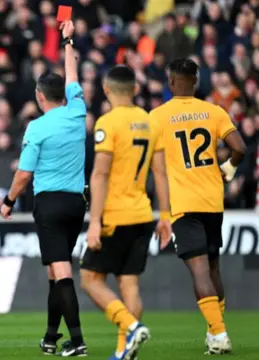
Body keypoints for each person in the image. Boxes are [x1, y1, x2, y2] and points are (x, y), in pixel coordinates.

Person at [0, 20, 87, 357]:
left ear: (39, 97)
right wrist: (68, 42)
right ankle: (51, 336)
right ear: (63, 95)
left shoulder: (36, 128)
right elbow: (74, 77)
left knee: (61, 269)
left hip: (49, 203)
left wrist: (8, 201)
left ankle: (77, 340)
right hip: (77, 203)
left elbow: (23, 175)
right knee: (56, 269)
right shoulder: (77, 111)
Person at [148, 58, 247, 355]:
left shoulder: (158, 116)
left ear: (170, 82)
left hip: (183, 203)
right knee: (213, 267)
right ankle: (214, 332)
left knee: (199, 269)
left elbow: (149, 162)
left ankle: (219, 334)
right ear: (196, 81)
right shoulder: (214, 111)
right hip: (212, 202)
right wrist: (228, 169)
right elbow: (240, 148)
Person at [79, 65, 172, 360]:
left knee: (90, 279)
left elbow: (100, 174)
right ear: (134, 89)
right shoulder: (149, 122)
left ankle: (131, 326)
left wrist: (94, 221)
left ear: (106, 90)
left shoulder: (107, 123)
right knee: (129, 281)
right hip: (144, 215)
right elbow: (160, 172)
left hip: (115, 216)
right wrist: (166, 215)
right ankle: (123, 351)